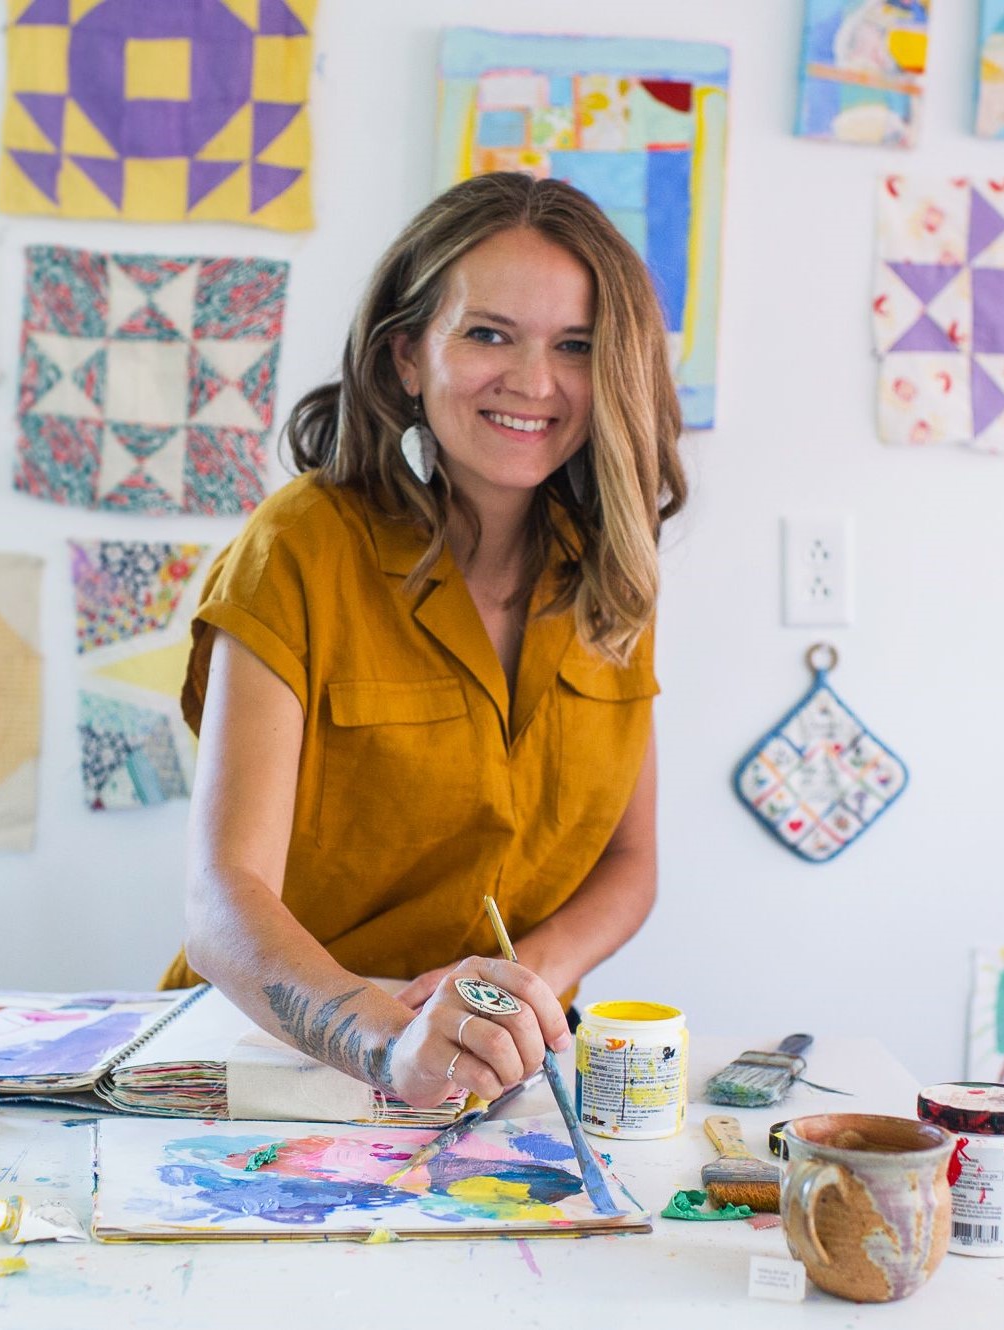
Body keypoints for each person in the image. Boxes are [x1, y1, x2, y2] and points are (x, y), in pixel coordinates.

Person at [162, 171, 686, 1109]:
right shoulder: (300, 547)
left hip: (506, 1078)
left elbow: (628, 865)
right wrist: (389, 1041)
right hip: (276, 1071)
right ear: (406, 356)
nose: (533, 382)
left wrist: (497, 1001)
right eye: (488, 333)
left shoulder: (610, 574)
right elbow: (220, 903)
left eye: (574, 346)